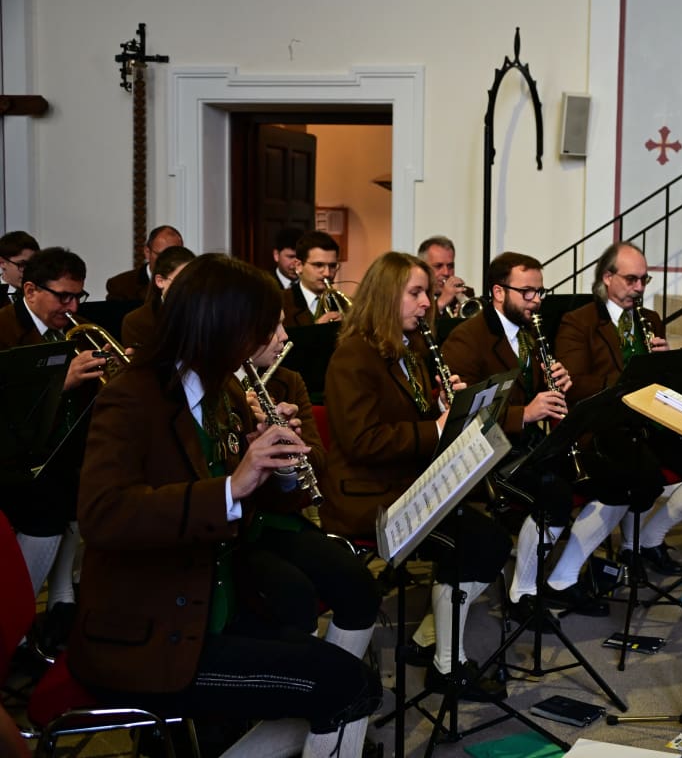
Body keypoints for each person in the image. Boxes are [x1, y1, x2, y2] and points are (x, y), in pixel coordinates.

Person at [70, 253, 380, 758]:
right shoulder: (133, 396)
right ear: (223, 327)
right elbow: (103, 514)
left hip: (213, 606)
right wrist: (232, 486)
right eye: (260, 328)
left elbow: (252, 500)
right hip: (149, 634)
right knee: (345, 687)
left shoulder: (224, 390)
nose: (268, 340)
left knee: (353, 681)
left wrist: (279, 466)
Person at [321, 251, 511, 701]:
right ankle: (447, 664)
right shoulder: (353, 357)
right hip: (367, 495)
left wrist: (448, 408)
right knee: (476, 544)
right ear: (386, 297)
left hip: (406, 483)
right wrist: (437, 427)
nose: (427, 302)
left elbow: (413, 418)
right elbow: (363, 442)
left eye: (426, 292)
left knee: (488, 538)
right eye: (416, 293)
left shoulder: (411, 350)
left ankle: (435, 643)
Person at [442, 252, 617, 618]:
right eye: (527, 292)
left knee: (609, 473)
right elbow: (465, 414)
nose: (536, 301)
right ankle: (522, 594)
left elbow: (531, 389)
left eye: (540, 292)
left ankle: (561, 578)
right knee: (554, 494)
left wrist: (558, 383)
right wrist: (526, 413)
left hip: (524, 444)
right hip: (486, 452)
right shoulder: (466, 340)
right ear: (498, 292)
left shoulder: (528, 333)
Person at [555, 241, 682, 575]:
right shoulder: (579, 322)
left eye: (644, 280)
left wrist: (667, 364)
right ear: (607, 277)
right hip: (606, 426)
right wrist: (632, 377)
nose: (639, 288)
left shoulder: (650, 319)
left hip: (651, 422)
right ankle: (621, 552)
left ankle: (648, 540)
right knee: (643, 476)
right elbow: (573, 383)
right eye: (631, 279)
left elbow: (664, 382)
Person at [234, 311, 381, 670]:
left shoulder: (288, 381)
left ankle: (340, 684)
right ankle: (306, 684)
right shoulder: (214, 386)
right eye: (273, 325)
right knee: (292, 594)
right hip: (230, 528)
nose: (285, 336)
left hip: (274, 515)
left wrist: (287, 461)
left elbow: (317, 459)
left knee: (358, 583)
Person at [0, 247, 108, 659]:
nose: (74, 306)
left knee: (94, 483)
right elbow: (9, 409)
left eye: (78, 295)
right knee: (48, 504)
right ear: (30, 290)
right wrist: (62, 382)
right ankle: (15, 623)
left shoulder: (74, 331)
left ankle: (62, 603)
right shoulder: (4, 330)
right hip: (12, 459)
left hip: (57, 451)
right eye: (64, 296)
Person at [120, 245, 196, 350]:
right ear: (160, 281)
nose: (189, 288)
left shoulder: (204, 312)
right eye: (181, 282)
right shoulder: (136, 321)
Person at [282, 230, 346, 326]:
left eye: (332, 266)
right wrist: (315, 331)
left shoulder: (344, 304)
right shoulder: (280, 302)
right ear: (299, 266)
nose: (327, 273)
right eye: (318, 265)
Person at [105, 224, 183, 301]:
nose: (169, 261)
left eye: (175, 256)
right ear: (147, 252)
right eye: (161, 255)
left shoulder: (187, 282)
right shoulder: (120, 286)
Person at [418, 235, 472, 317]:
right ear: (423, 268)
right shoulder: (414, 296)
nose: (446, 273)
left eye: (450, 266)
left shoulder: (464, 294)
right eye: (438, 266)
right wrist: (441, 302)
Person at [0, 230, 39, 309]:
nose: (28, 271)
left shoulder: (40, 292)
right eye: (22, 265)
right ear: (2, 263)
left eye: (32, 264)